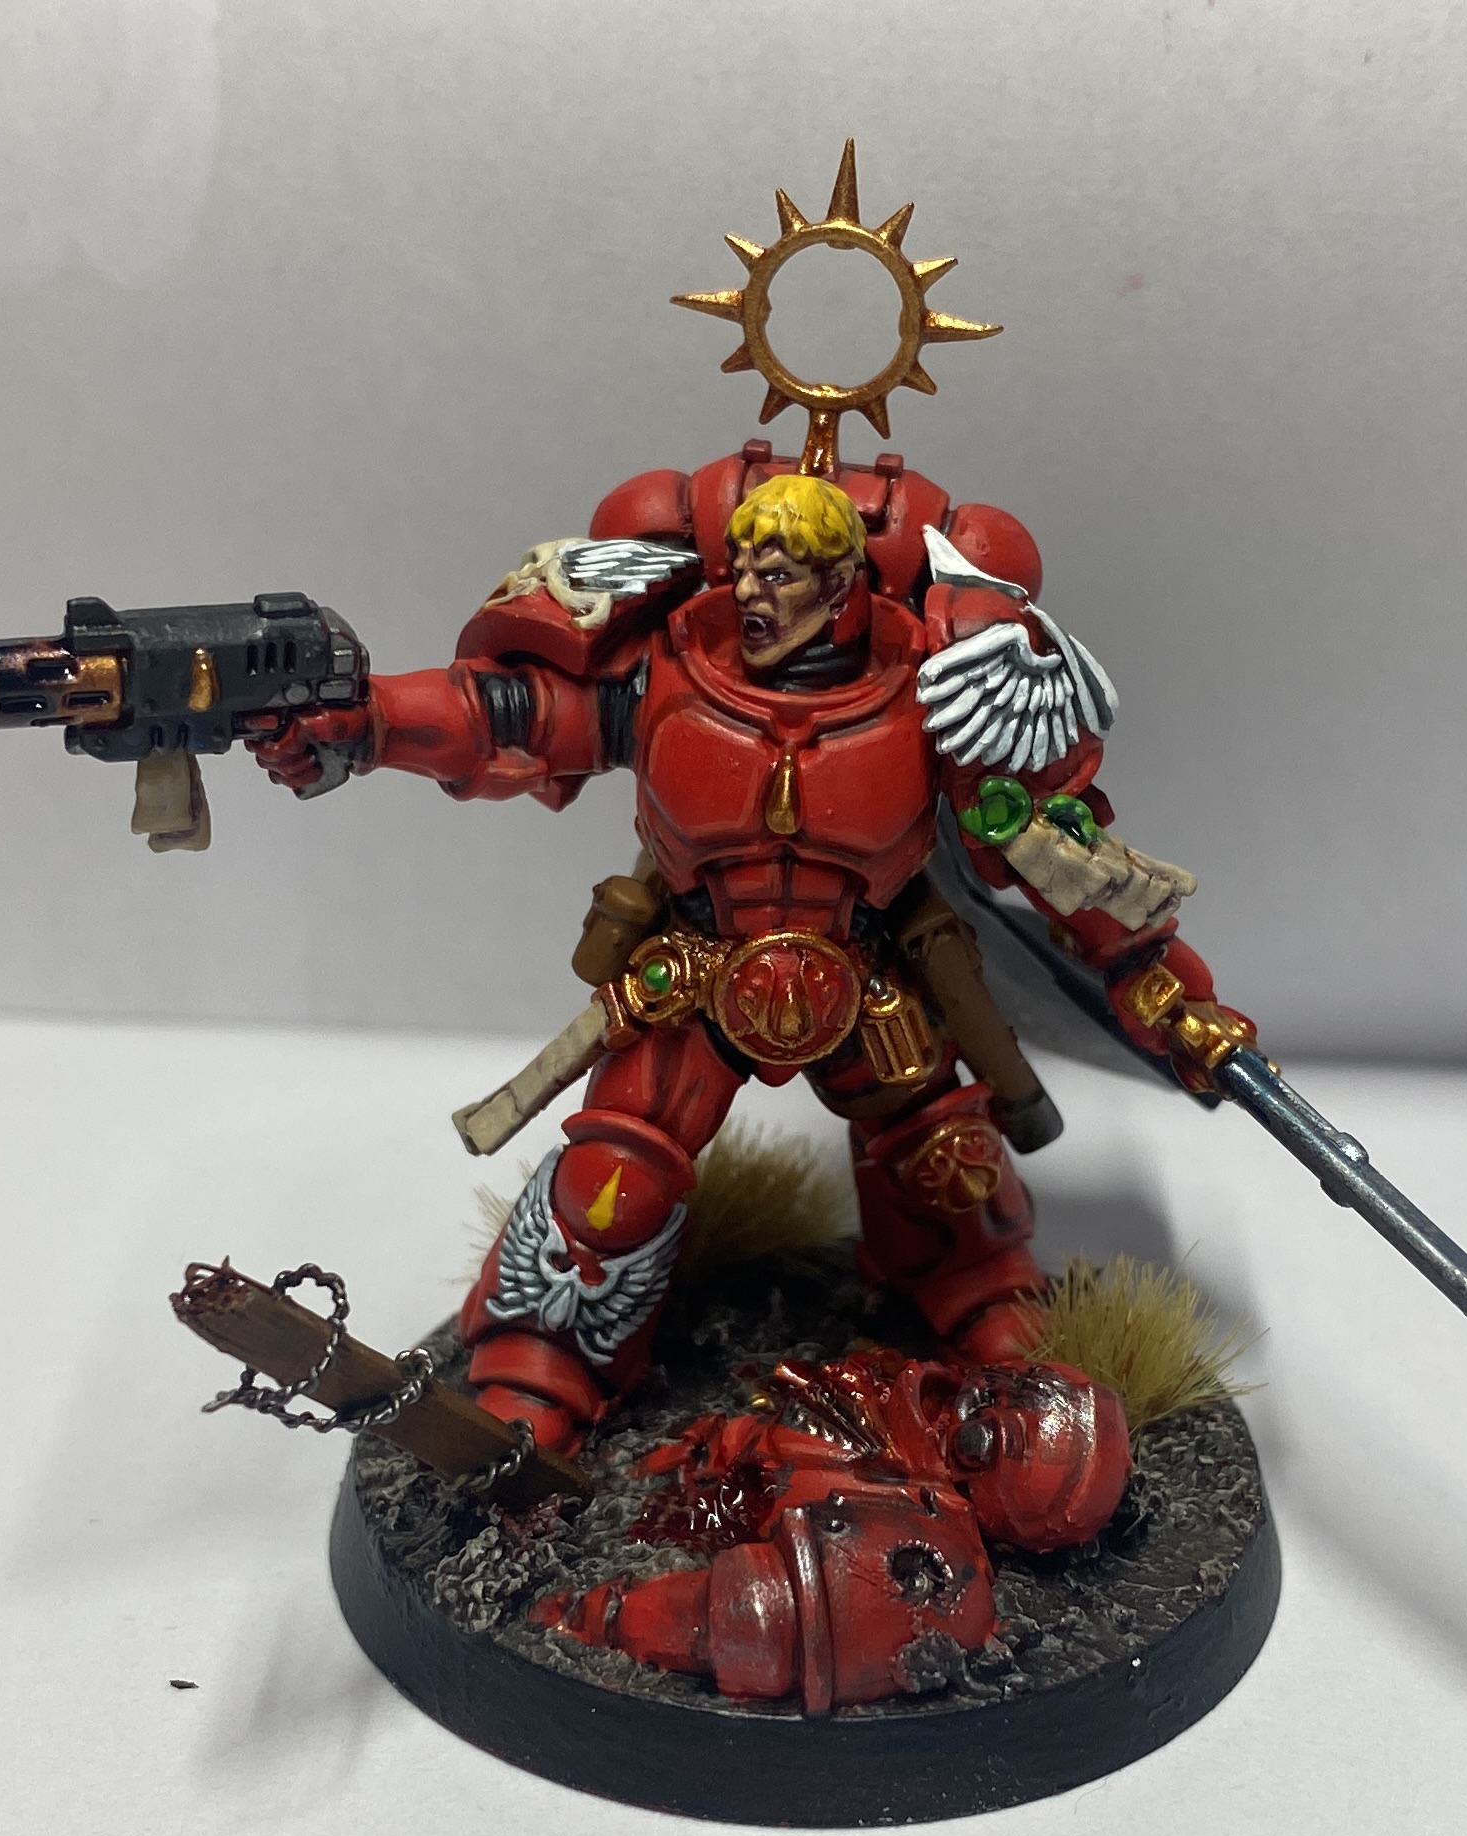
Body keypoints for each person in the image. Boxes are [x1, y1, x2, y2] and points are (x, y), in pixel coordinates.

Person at [251, 450, 1251, 1460]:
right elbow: (501, 716)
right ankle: (538, 1368)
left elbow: (1062, 861)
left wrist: (1169, 998)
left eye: (779, 574)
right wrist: (371, 722)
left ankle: (984, 1305)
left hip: (867, 982)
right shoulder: (662, 672)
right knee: (615, 1181)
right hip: (695, 972)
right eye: (743, 569)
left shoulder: (934, 695)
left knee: (944, 1167)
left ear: (841, 581)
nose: (751, 595)